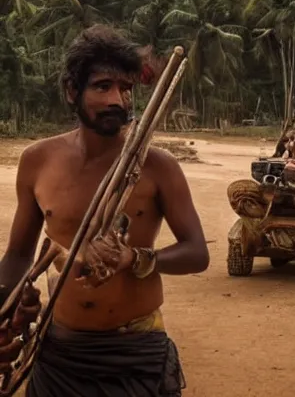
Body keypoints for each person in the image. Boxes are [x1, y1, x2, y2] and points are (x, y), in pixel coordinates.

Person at [0, 25, 210, 396]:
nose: (118, 100)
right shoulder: (38, 161)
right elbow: (18, 255)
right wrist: (6, 312)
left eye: (126, 89)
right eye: (102, 87)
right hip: (60, 355)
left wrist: (134, 258)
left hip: (135, 353)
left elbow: (196, 252)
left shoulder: (156, 167)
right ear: (71, 92)